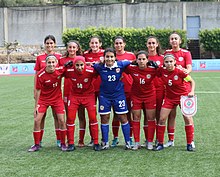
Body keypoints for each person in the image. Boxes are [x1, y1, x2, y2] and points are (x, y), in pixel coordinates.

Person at [154, 54, 195, 151]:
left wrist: (192, 91)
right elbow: (154, 73)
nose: (169, 64)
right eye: (167, 62)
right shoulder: (162, 71)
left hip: (182, 97)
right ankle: (160, 143)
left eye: (171, 62)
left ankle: (189, 143)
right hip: (169, 98)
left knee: (187, 119)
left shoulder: (180, 72)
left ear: (175, 62)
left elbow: (192, 81)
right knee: (162, 119)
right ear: (164, 63)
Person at [93, 48, 132, 150]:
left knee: (123, 117)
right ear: (104, 57)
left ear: (115, 57)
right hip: (104, 96)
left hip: (118, 96)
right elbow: (89, 65)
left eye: (111, 57)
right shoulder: (99, 66)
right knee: (104, 118)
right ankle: (105, 142)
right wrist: (98, 61)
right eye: (107, 57)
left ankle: (128, 142)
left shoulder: (121, 65)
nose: (109, 59)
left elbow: (131, 62)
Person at [29, 54, 67, 152]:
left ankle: (63, 143)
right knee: (37, 120)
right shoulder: (40, 75)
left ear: (56, 63)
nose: (51, 64)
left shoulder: (60, 70)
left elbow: (70, 66)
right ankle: (37, 144)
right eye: (49, 62)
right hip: (43, 100)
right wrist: (36, 106)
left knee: (61, 120)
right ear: (45, 64)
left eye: (53, 62)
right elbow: (38, 90)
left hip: (57, 99)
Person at [163, 32, 194, 148]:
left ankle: (191, 141)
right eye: (172, 39)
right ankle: (171, 140)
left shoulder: (185, 53)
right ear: (170, 41)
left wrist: (185, 71)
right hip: (170, 90)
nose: (174, 41)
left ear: (180, 41)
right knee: (171, 115)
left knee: (187, 115)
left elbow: (189, 67)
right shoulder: (167, 53)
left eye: (176, 39)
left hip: (184, 88)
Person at [64, 57, 101, 151]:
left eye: (81, 65)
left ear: (85, 64)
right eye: (77, 65)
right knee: (70, 118)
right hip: (74, 96)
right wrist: (64, 66)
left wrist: (97, 64)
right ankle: (71, 143)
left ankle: (96, 142)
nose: (79, 67)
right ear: (74, 65)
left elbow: (100, 71)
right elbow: (59, 72)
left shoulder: (90, 71)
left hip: (88, 95)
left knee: (93, 117)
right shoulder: (69, 71)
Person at [125, 51, 157, 150]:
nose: (141, 61)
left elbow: (166, 70)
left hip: (150, 96)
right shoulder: (131, 68)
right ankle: (137, 142)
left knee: (150, 118)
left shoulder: (153, 69)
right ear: (136, 60)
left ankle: (150, 142)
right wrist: (129, 62)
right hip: (136, 96)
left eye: (143, 59)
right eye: (139, 59)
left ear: (147, 60)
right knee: (136, 117)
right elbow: (120, 64)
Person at [33, 35, 62, 147]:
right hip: (43, 94)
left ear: (54, 44)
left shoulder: (59, 57)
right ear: (44, 44)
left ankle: (59, 140)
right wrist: (35, 91)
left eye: (51, 43)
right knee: (41, 116)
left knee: (57, 116)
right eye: (47, 43)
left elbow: (61, 72)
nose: (49, 45)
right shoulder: (40, 58)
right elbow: (36, 75)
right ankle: (38, 141)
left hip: (55, 93)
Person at [58, 40, 85, 147]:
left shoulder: (82, 59)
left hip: (81, 91)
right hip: (68, 91)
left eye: (74, 47)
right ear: (67, 48)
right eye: (70, 47)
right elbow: (58, 73)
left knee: (81, 115)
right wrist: (64, 67)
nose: (72, 49)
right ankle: (69, 140)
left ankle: (81, 140)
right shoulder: (62, 60)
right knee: (69, 116)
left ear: (77, 48)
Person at [111, 36, 136, 147]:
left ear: (124, 44)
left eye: (120, 43)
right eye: (116, 43)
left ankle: (129, 137)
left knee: (128, 114)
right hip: (115, 90)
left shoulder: (131, 56)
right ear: (114, 45)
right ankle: (115, 138)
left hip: (129, 89)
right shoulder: (111, 56)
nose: (119, 45)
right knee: (116, 115)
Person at [82, 36, 104, 147]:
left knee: (104, 114)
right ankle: (93, 138)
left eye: (96, 43)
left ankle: (105, 138)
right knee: (92, 115)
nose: (94, 45)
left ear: (100, 44)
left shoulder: (105, 54)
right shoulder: (85, 55)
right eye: (92, 43)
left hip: (103, 88)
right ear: (89, 44)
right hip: (89, 89)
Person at [146, 36, 164, 146]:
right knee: (147, 116)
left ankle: (159, 138)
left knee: (158, 115)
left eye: (153, 43)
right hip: (147, 91)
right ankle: (149, 139)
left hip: (160, 89)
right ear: (147, 45)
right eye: (149, 43)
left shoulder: (162, 58)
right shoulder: (143, 58)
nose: (151, 45)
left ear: (157, 44)